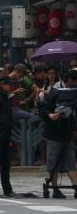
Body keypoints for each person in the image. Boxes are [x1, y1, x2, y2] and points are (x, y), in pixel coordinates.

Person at [38, 69, 77, 198]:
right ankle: (54, 188)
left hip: (68, 133)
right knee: (53, 161)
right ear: (69, 81)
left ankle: (75, 186)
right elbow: (42, 109)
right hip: (54, 133)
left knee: (70, 160)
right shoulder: (54, 93)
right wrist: (50, 115)